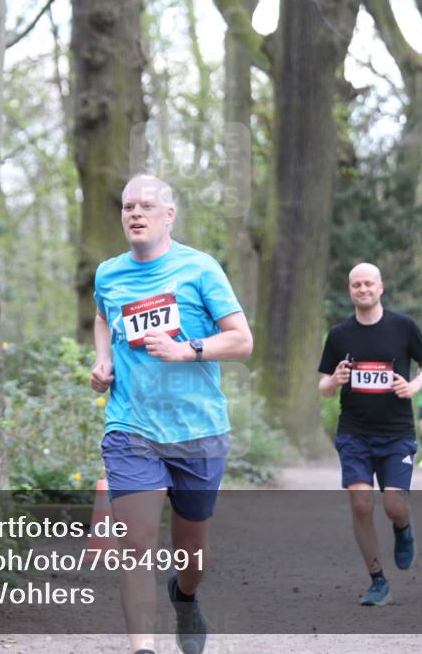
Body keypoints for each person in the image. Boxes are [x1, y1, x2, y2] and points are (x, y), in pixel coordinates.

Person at [90, 174, 253, 654]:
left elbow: (242, 341)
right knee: (136, 543)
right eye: (127, 207)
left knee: (192, 555)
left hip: (197, 431)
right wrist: (104, 361)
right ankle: (143, 648)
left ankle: (184, 596)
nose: (135, 213)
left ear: (168, 215)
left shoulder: (200, 270)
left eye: (145, 206)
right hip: (131, 427)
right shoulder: (108, 273)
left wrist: (188, 350)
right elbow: (104, 316)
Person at [318, 263, 422, 606]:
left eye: (369, 283)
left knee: (394, 505)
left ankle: (403, 527)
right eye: (356, 285)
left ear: (381, 287)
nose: (363, 289)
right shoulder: (339, 336)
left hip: (396, 432)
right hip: (354, 432)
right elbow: (323, 387)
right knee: (360, 504)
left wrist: (413, 385)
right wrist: (335, 380)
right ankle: (377, 581)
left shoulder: (403, 327)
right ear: (350, 290)